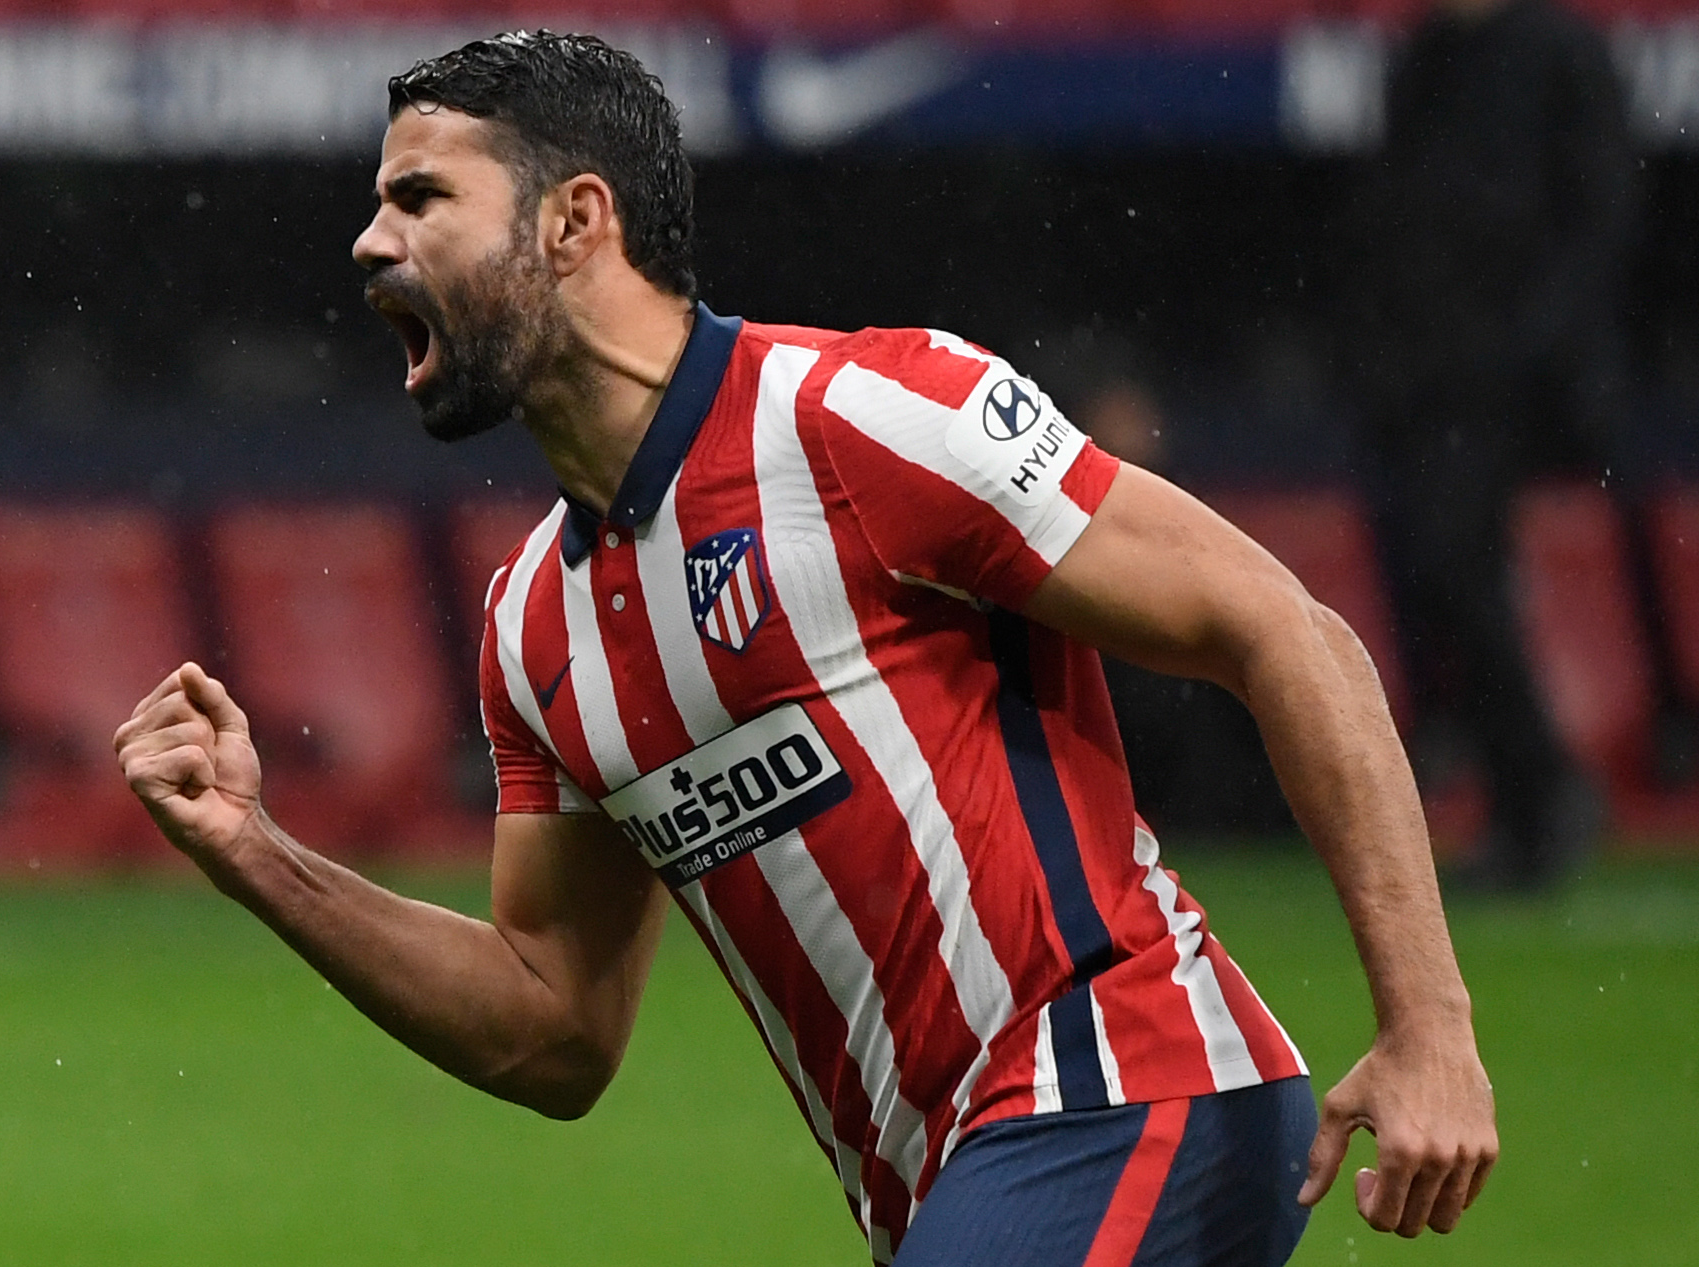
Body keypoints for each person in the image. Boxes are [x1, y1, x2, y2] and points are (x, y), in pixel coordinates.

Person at [115, 31, 1496, 1266]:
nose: (369, 241)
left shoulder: (861, 417)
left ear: (573, 222)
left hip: (1127, 1087)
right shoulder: (532, 625)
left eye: (420, 198)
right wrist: (257, 852)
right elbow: (552, 1025)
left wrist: (1429, 1027)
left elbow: (1284, 629)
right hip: (958, 1191)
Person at [1341, 0, 1636, 890]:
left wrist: (1535, 357)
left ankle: (1537, 797)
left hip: (1508, 383)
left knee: (1457, 569)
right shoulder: (1423, 61)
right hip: (1426, 381)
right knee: (1444, 578)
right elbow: (1387, 217)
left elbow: (1600, 222)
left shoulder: (1559, 55)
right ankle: (1528, 796)